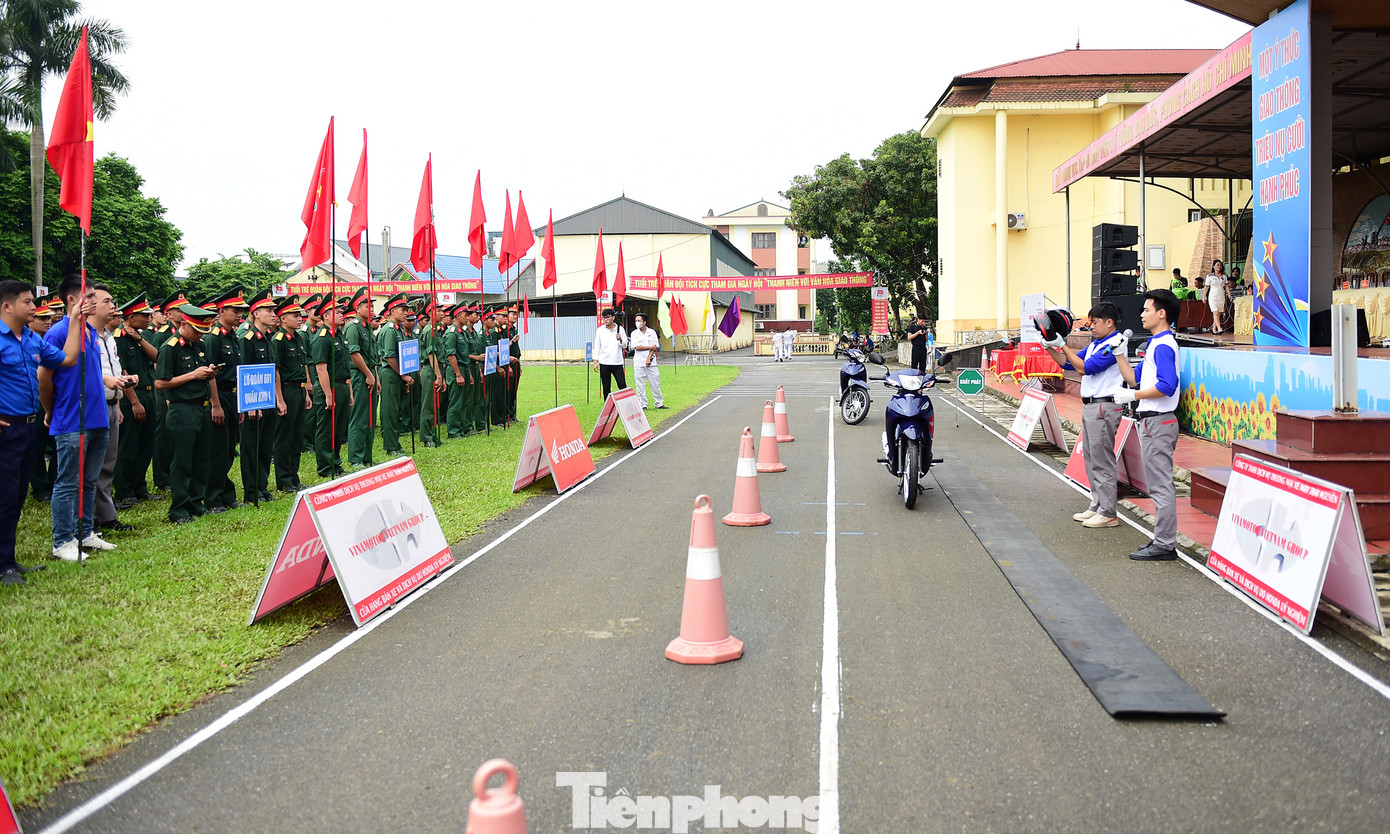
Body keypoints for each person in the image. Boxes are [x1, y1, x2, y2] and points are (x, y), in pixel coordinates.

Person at [0, 280, 88, 583]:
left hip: (27, 427)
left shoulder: (30, 339)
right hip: (5, 428)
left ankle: (8, 561)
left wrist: (75, 319)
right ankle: (3, 566)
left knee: (16, 496)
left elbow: (68, 358)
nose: (34, 308)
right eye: (27, 302)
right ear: (7, 306)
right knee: (4, 496)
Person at [39, 275, 123, 562]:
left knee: (89, 480)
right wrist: (52, 410)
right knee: (67, 482)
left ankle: (86, 531)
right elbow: (45, 378)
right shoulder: (59, 332)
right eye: (88, 297)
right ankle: (62, 539)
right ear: (72, 300)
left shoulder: (89, 331)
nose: (93, 301)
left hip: (97, 417)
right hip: (72, 419)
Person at [1041, 302, 1128, 529]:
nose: (1091, 327)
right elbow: (1067, 363)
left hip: (1104, 406)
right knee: (1091, 457)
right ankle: (1098, 504)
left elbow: (1086, 368)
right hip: (1091, 406)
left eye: (1095, 322)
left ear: (1109, 322)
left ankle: (1108, 511)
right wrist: (1049, 346)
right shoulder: (1096, 344)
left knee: (1102, 460)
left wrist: (1063, 344)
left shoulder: (1114, 344)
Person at [1114, 289, 1181, 561]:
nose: (1141, 314)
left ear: (1161, 313)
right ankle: (1162, 539)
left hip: (1158, 421)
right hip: (1152, 422)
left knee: (1161, 485)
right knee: (1157, 484)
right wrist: (1120, 354)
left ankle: (1165, 543)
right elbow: (1133, 378)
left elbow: (1167, 386)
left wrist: (1135, 396)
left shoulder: (1164, 345)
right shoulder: (1155, 344)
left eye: (1146, 309)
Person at [156, 304, 221, 524]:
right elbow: (161, 382)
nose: (199, 335)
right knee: (182, 461)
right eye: (196, 330)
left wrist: (208, 373)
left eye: (203, 331)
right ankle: (179, 508)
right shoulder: (170, 347)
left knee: (201, 459)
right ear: (184, 325)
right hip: (181, 409)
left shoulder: (198, 345)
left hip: (201, 407)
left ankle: (196, 502)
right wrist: (193, 375)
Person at [93, 286, 139, 534]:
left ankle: (106, 516)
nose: (113, 306)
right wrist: (106, 381)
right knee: (91, 466)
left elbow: (114, 372)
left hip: (112, 404)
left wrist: (120, 396)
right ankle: (86, 521)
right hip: (92, 406)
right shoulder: (84, 336)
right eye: (107, 301)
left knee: (108, 464)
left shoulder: (109, 337)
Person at [200, 289, 248, 512]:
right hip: (218, 394)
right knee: (217, 449)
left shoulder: (233, 337)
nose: (239, 314)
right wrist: (216, 404)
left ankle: (225, 493)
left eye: (241, 311)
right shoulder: (213, 338)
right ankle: (213, 497)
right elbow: (210, 373)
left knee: (229, 448)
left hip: (232, 395)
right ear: (221, 312)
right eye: (235, 310)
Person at [112, 294, 160, 508]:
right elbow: (122, 372)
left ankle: (140, 486)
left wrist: (140, 339)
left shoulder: (138, 337)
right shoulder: (118, 338)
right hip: (133, 396)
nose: (150, 318)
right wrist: (133, 402)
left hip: (149, 394)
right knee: (129, 445)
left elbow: (157, 356)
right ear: (131, 317)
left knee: (145, 444)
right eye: (144, 315)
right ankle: (124, 489)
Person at [239, 288, 284, 504]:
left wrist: (278, 399)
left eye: (274, 310)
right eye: (268, 310)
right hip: (253, 401)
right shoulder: (247, 339)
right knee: (251, 447)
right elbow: (244, 373)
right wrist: (250, 405)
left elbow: (273, 372)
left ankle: (263, 487)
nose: (274, 314)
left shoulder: (268, 338)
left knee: (266, 446)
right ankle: (251, 491)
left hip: (267, 399)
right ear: (256, 313)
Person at [271, 297, 312, 491]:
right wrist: (279, 399)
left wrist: (305, 393)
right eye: (295, 316)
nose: (299, 318)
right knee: (284, 437)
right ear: (283, 318)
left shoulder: (300, 338)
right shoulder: (278, 340)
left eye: (300, 315)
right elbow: (276, 372)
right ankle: (283, 479)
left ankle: (294, 476)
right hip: (285, 390)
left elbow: (302, 367)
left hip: (299, 389)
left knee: (297, 437)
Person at [310, 296, 350, 478]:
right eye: (338, 312)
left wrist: (348, 392)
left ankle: (336, 463)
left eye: (342, 312)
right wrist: (327, 394)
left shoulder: (340, 335)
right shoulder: (322, 338)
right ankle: (326, 467)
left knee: (339, 429)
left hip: (341, 386)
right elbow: (321, 368)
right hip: (329, 387)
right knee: (326, 429)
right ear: (326, 316)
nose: (342, 315)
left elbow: (344, 367)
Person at [28, 296, 59, 503]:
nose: (48, 321)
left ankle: (55, 482)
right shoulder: (26, 341)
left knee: (57, 442)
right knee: (36, 446)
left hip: (54, 397)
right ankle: (40, 488)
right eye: (42, 318)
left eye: (49, 317)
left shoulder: (49, 341)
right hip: (33, 400)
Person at [343, 287, 378, 470]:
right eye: (366, 305)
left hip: (370, 375)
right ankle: (356, 457)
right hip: (360, 376)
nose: (371, 308)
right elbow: (354, 354)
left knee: (371, 418)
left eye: (372, 305)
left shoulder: (367, 328)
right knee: (359, 417)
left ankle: (367, 456)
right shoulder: (353, 327)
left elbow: (372, 357)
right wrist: (369, 375)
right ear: (357, 308)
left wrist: (375, 377)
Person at [375, 293, 411, 455]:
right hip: (390, 373)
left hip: (398, 374)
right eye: (402, 310)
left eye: (406, 310)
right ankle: (390, 446)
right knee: (390, 411)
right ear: (392, 311)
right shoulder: (389, 331)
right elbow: (390, 357)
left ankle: (395, 442)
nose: (405, 313)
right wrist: (403, 375)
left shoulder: (399, 330)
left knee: (398, 411)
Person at [630, 313, 665, 410]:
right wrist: (650, 347)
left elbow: (655, 347)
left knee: (655, 383)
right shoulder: (634, 333)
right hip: (639, 362)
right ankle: (643, 404)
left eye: (639, 321)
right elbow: (637, 347)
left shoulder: (652, 332)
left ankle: (659, 403)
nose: (637, 322)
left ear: (644, 322)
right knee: (640, 384)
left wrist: (649, 358)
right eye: (636, 320)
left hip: (651, 363)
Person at [592, 308, 627, 399]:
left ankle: (625, 404)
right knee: (606, 387)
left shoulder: (620, 329)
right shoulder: (600, 330)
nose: (605, 320)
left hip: (617, 362)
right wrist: (595, 361)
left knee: (622, 385)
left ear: (613, 317)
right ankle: (607, 407)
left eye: (608, 317)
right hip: (604, 362)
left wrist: (620, 339)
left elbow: (625, 345)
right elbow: (597, 346)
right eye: (604, 318)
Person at [1204, 259, 1229, 335]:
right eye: (1217, 265)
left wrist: (1229, 294)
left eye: (1220, 265)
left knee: (1218, 314)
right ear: (1213, 266)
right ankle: (1219, 328)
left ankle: (1214, 329)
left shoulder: (1224, 276)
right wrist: (1204, 296)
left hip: (1221, 296)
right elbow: (1207, 287)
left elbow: (1226, 286)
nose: (1219, 267)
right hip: (1213, 296)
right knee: (1215, 312)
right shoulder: (1209, 276)